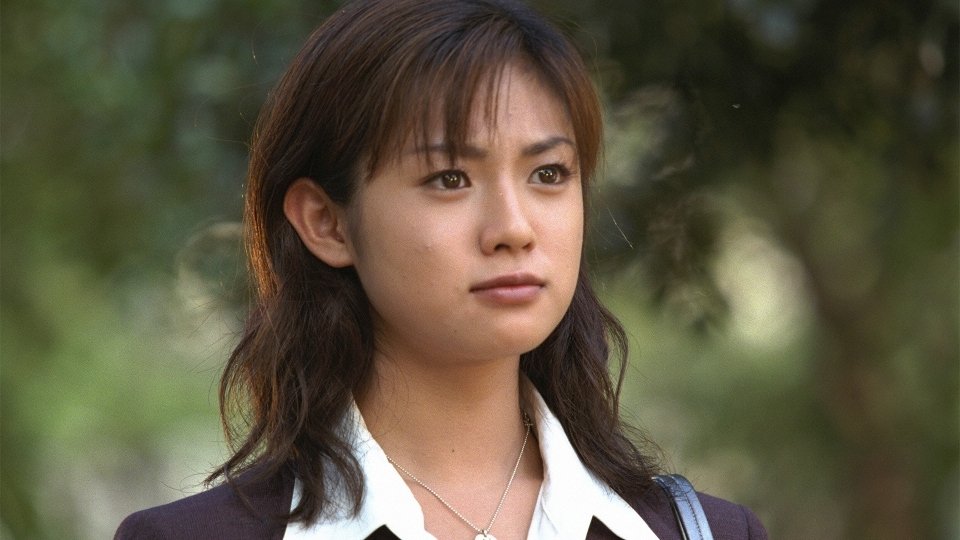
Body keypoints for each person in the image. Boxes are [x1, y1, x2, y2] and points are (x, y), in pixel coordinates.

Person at [115, 0, 767, 538]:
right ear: (326, 222)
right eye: (450, 178)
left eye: (548, 174)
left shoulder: (706, 531)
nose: (514, 227)